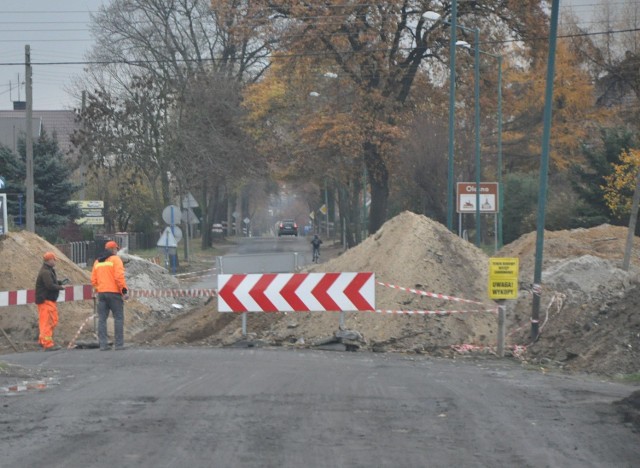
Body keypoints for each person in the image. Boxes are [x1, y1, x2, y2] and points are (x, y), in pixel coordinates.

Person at [91, 240, 129, 351]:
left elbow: (93, 280)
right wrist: (124, 292)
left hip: (101, 294)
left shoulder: (97, 261)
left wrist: (100, 289)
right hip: (114, 294)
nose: (117, 251)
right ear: (113, 249)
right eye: (116, 249)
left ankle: (103, 345)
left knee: (102, 319)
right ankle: (119, 344)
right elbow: (119, 277)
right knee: (118, 318)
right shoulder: (116, 260)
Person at [35, 252, 66, 351]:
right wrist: (61, 287)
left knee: (49, 322)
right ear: (49, 260)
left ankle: (42, 341)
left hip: (48, 301)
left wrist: (59, 282)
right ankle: (47, 344)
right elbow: (49, 285)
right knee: (47, 323)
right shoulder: (46, 272)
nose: (55, 261)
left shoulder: (48, 270)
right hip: (46, 301)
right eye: (54, 260)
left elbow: (50, 283)